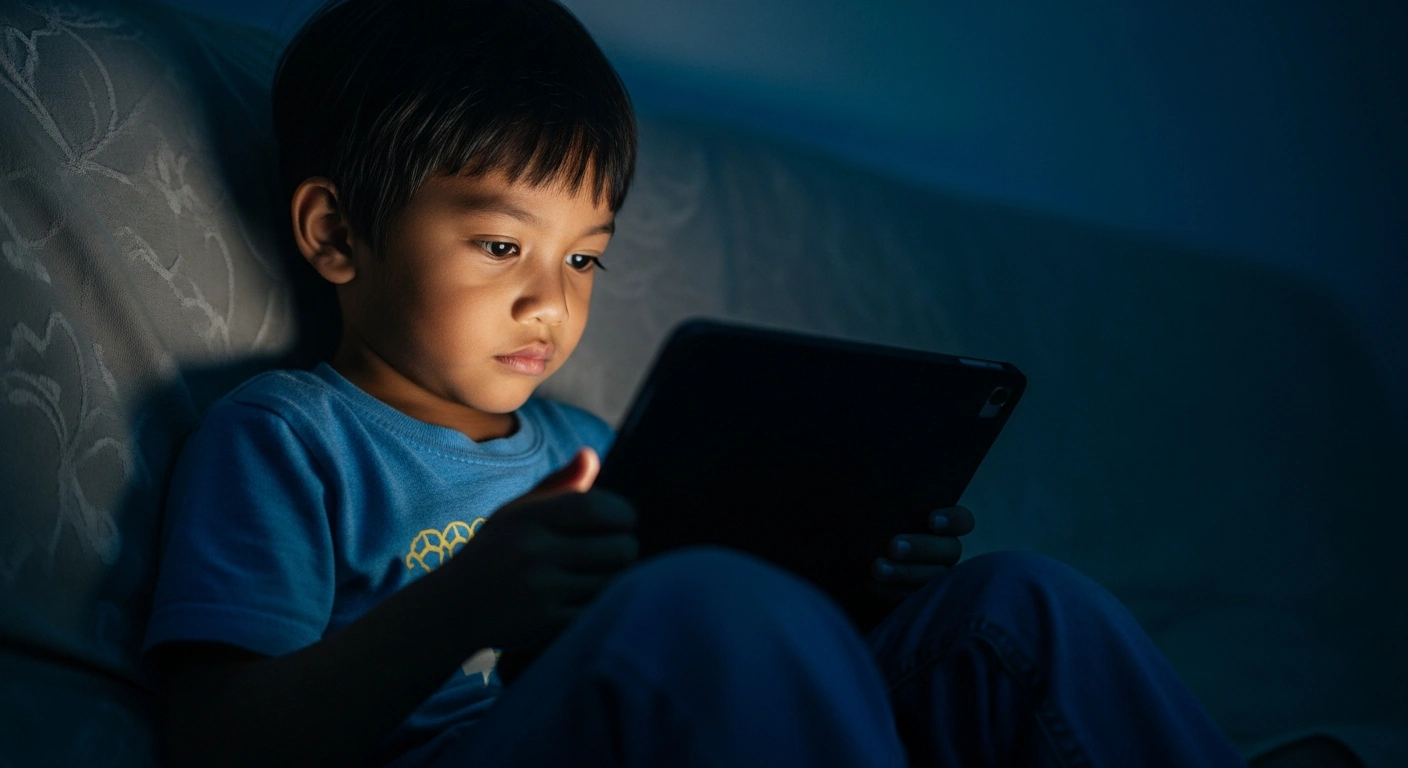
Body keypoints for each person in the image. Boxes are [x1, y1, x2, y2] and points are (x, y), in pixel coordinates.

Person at [140, 0, 1249, 765]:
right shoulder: (286, 437)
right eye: (498, 247)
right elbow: (218, 742)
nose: (552, 301)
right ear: (337, 234)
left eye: (584, 257)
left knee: (1015, 604)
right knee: (702, 601)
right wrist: (462, 605)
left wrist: (859, 579)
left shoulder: (590, 442)